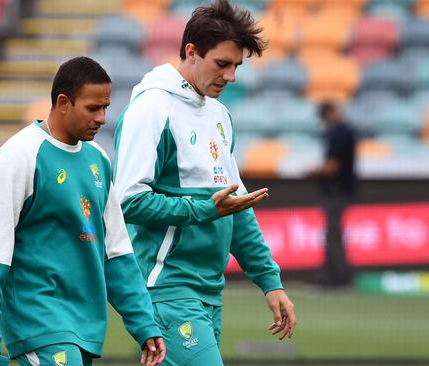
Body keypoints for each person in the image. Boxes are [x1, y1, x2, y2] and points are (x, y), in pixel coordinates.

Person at [112, 1, 296, 364]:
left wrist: (270, 282)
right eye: (222, 64)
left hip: (209, 292)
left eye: (237, 67)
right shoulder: (152, 109)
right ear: (191, 52)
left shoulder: (220, 116)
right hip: (165, 289)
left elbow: (238, 212)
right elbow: (128, 201)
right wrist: (205, 208)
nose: (231, 77)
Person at [0, 57, 165, 366]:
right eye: (92, 108)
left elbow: (117, 255)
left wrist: (145, 324)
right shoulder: (17, 157)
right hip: (37, 315)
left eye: (105, 108)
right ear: (63, 102)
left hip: (85, 321)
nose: (101, 118)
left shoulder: (99, 160)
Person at [308, 101, 357, 287]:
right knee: (333, 234)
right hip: (340, 190)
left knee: (333, 235)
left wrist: (315, 171)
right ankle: (335, 276)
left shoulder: (340, 133)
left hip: (337, 191)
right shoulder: (340, 131)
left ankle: (337, 277)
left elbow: (332, 166)